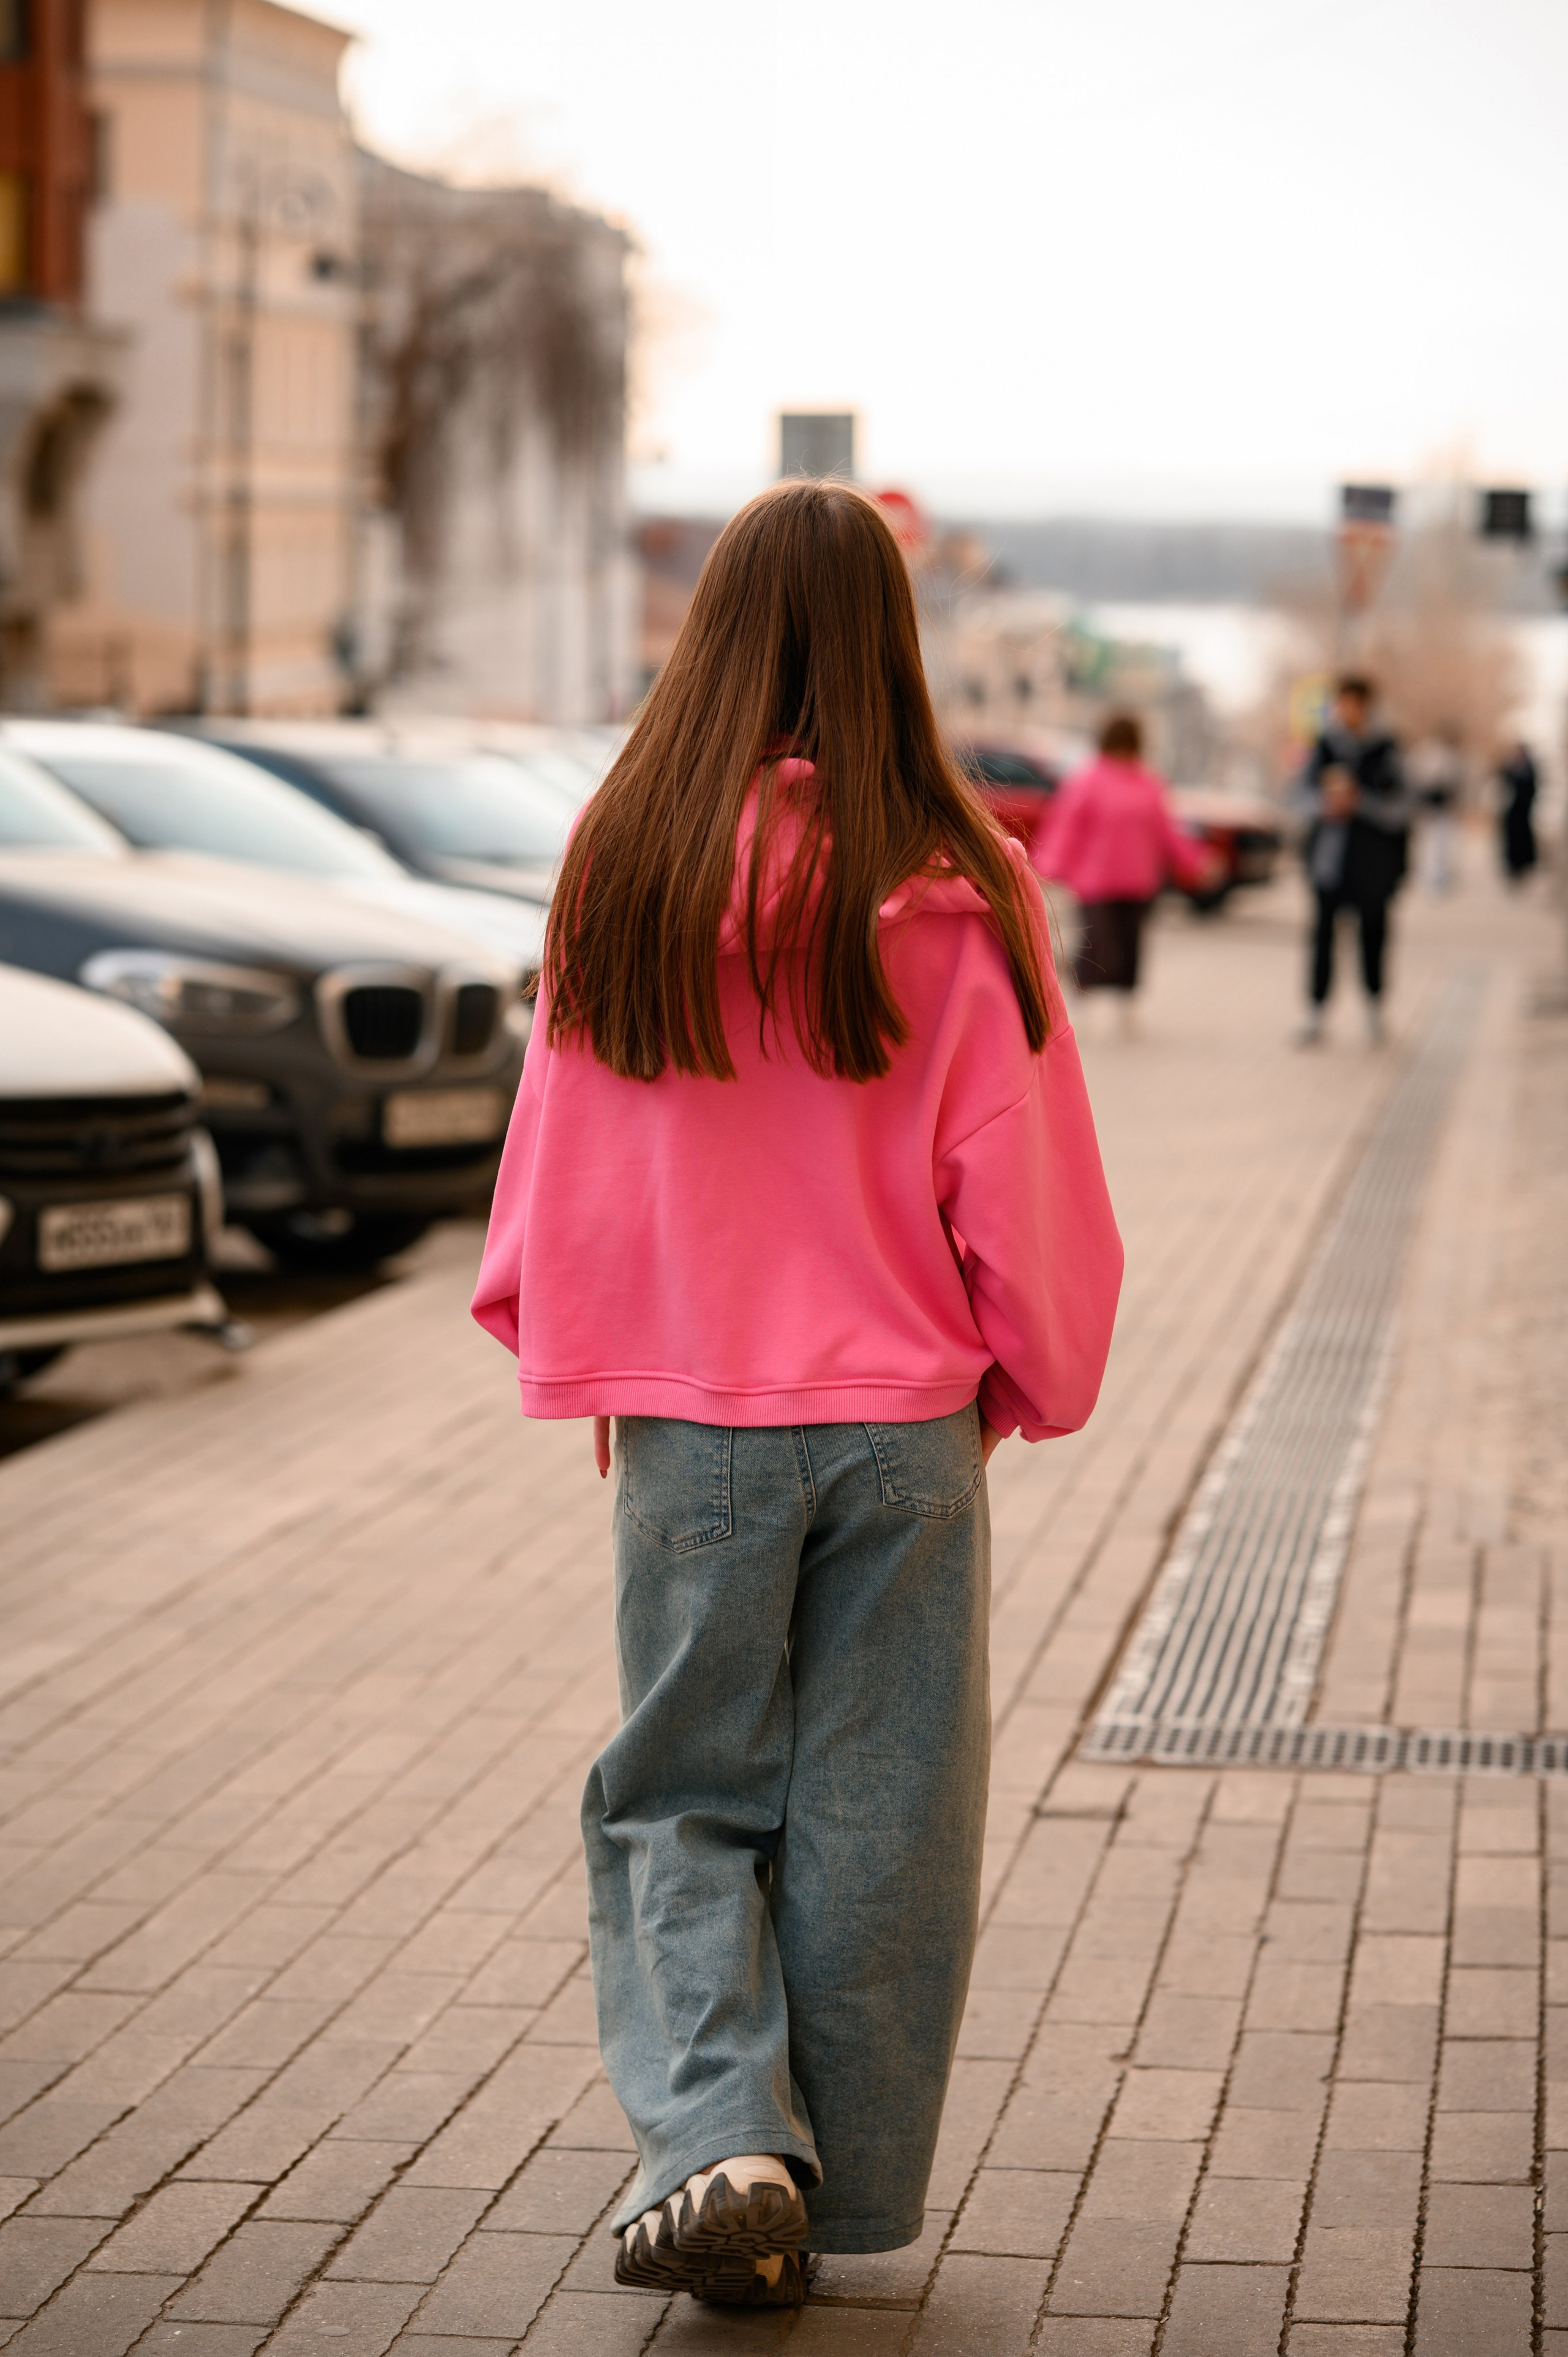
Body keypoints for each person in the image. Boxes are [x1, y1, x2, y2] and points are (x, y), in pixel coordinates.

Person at [471, 479, 1123, 2310]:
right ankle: (823, 2186)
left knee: (681, 1789)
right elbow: (1028, 1174)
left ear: (711, 629)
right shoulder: (960, 882)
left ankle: (723, 2142)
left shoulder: (627, 860)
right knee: (880, 1802)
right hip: (905, 1421)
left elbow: (562, 1139)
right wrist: (1027, 1371)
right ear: (892, 648)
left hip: (692, 1420)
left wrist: (571, 1336)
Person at [1032, 711, 1215, 1035]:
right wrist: (1046, 865)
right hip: (1096, 880)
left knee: (1131, 944)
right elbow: (1066, 827)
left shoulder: (1149, 783)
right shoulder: (1087, 780)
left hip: (1137, 880)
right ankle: (1082, 999)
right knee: (1096, 941)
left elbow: (1167, 830)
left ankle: (1126, 1003)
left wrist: (1196, 861)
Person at [1291, 674, 1412, 1046]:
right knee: (1323, 938)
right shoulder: (1324, 747)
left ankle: (1375, 1010)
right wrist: (1324, 806)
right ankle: (1316, 1013)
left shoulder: (1387, 750)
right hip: (1330, 863)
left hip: (1374, 864)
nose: (1347, 712)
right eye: (1341, 704)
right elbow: (1298, 796)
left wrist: (1363, 804)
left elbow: (1405, 807)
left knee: (1373, 937)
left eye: (1353, 704)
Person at [1408, 724, 1464, 894]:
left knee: (1443, 846)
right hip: (1429, 808)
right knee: (1429, 847)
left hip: (1444, 809)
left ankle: (1441, 880)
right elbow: (1419, 778)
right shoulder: (1428, 752)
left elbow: (1456, 783)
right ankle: (1431, 881)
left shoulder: (1453, 756)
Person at [1497, 741, 1539, 884]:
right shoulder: (1511, 767)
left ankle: (1524, 866)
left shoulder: (1529, 767)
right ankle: (1513, 866)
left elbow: (1533, 787)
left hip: (1523, 809)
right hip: (1511, 810)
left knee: (1523, 838)